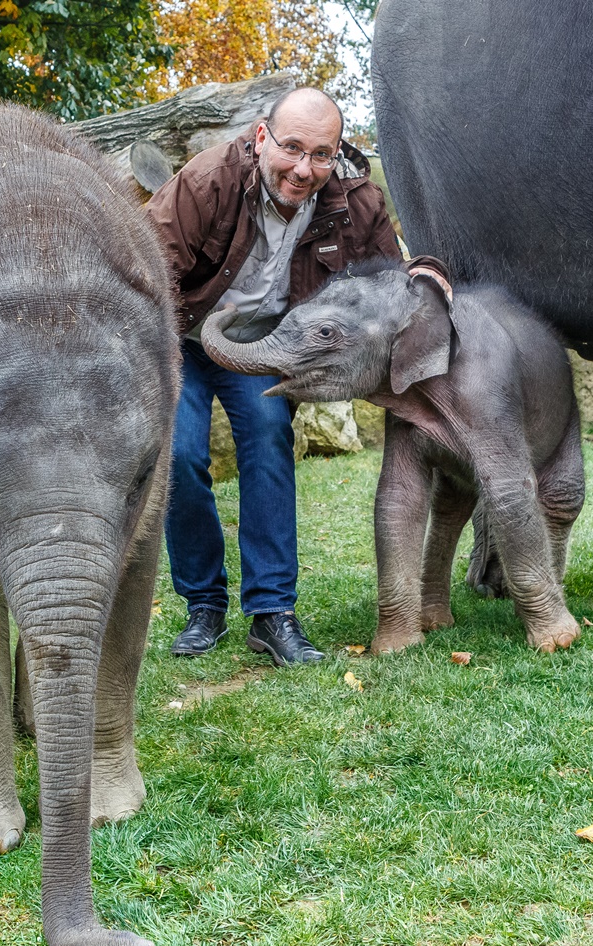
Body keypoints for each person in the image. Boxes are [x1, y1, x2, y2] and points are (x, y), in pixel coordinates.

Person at [146, 87, 452, 665]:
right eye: (291, 149)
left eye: (321, 154)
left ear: (337, 153)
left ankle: (272, 613)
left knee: (267, 441)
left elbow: (392, 276)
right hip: (179, 340)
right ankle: (203, 605)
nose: (304, 169)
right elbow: (139, 260)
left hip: (261, 347)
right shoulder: (207, 181)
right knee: (179, 456)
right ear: (263, 138)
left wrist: (431, 278)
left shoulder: (353, 200)